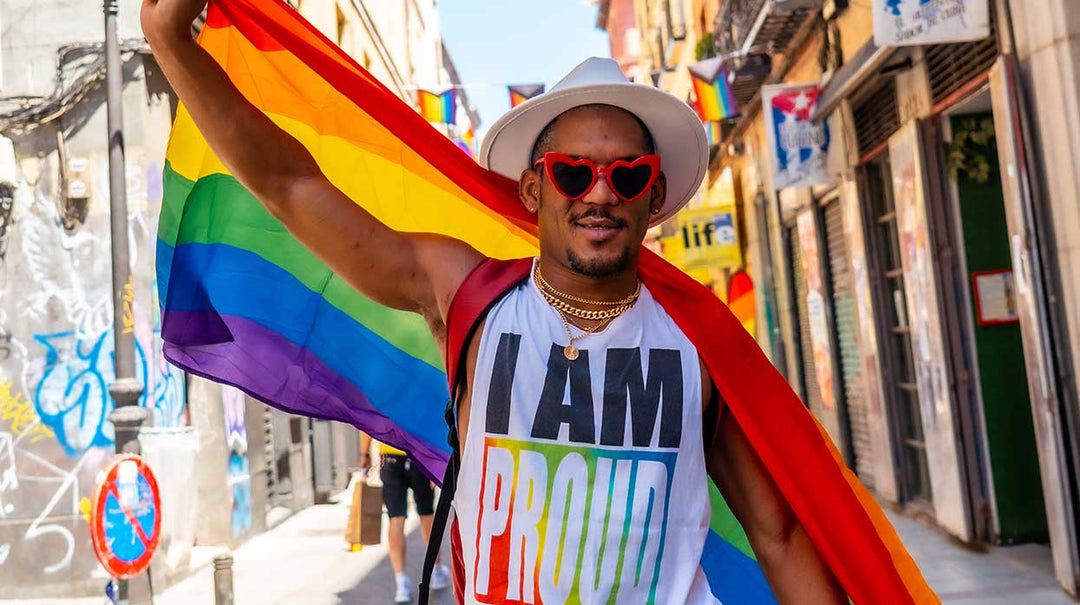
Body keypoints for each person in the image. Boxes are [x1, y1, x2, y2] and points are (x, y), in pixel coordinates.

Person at [141, 0, 848, 602]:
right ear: (535, 189)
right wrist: (172, 42)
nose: (599, 192)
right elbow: (292, 185)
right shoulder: (470, 296)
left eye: (627, 176)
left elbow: (777, 534)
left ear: (654, 196)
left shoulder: (699, 342)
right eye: (574, 172)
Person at [359, 434, 451, 603]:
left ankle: (401, 583)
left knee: (396, 518)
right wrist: (439, 461)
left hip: (389, 456)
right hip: (419, 454)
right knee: (426, 514)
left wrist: (364, 454)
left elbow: (367, 416)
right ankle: (436, 571)